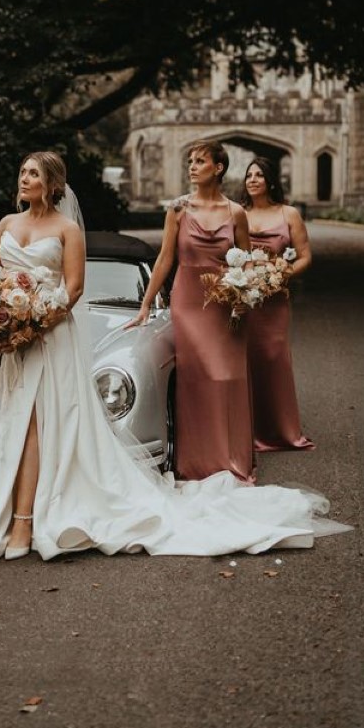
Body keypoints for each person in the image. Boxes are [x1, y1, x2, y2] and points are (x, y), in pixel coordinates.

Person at [0, 151, 349, 561]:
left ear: (52, 183)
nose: (24, 178)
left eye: (32, 173)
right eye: (22, 171)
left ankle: (24, 521)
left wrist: (36, 321)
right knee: (8, 421)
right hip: (7, 339)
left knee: (35, 423)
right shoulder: (5, 224)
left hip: (47, 335)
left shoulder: (67, 229)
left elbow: (74, 288)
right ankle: (1, 514)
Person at [126, 141, 255, 482]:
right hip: (189, 302)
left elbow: (249, 262)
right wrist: (145, 304)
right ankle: (196, 463)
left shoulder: (236, 213)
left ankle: (232, 459)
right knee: (197, 379)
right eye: (191, 161)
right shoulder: (178, 210)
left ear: (219, 168)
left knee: (227, 378)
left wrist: (245, 295)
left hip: (226, 305)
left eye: (201, 161)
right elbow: (166, 257)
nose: (193, 167)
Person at [242, 157, 315, 452]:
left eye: (259, 174)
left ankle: (281, 430)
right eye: (249, 175)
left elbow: (305, 256)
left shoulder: (289, 214)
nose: (253, 179)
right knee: (245, 359)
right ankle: (247, 431)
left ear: (270, 180)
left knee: (274, 358)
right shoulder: (238, 214)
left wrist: (280, 275)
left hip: (274, 301)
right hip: (244, 298)